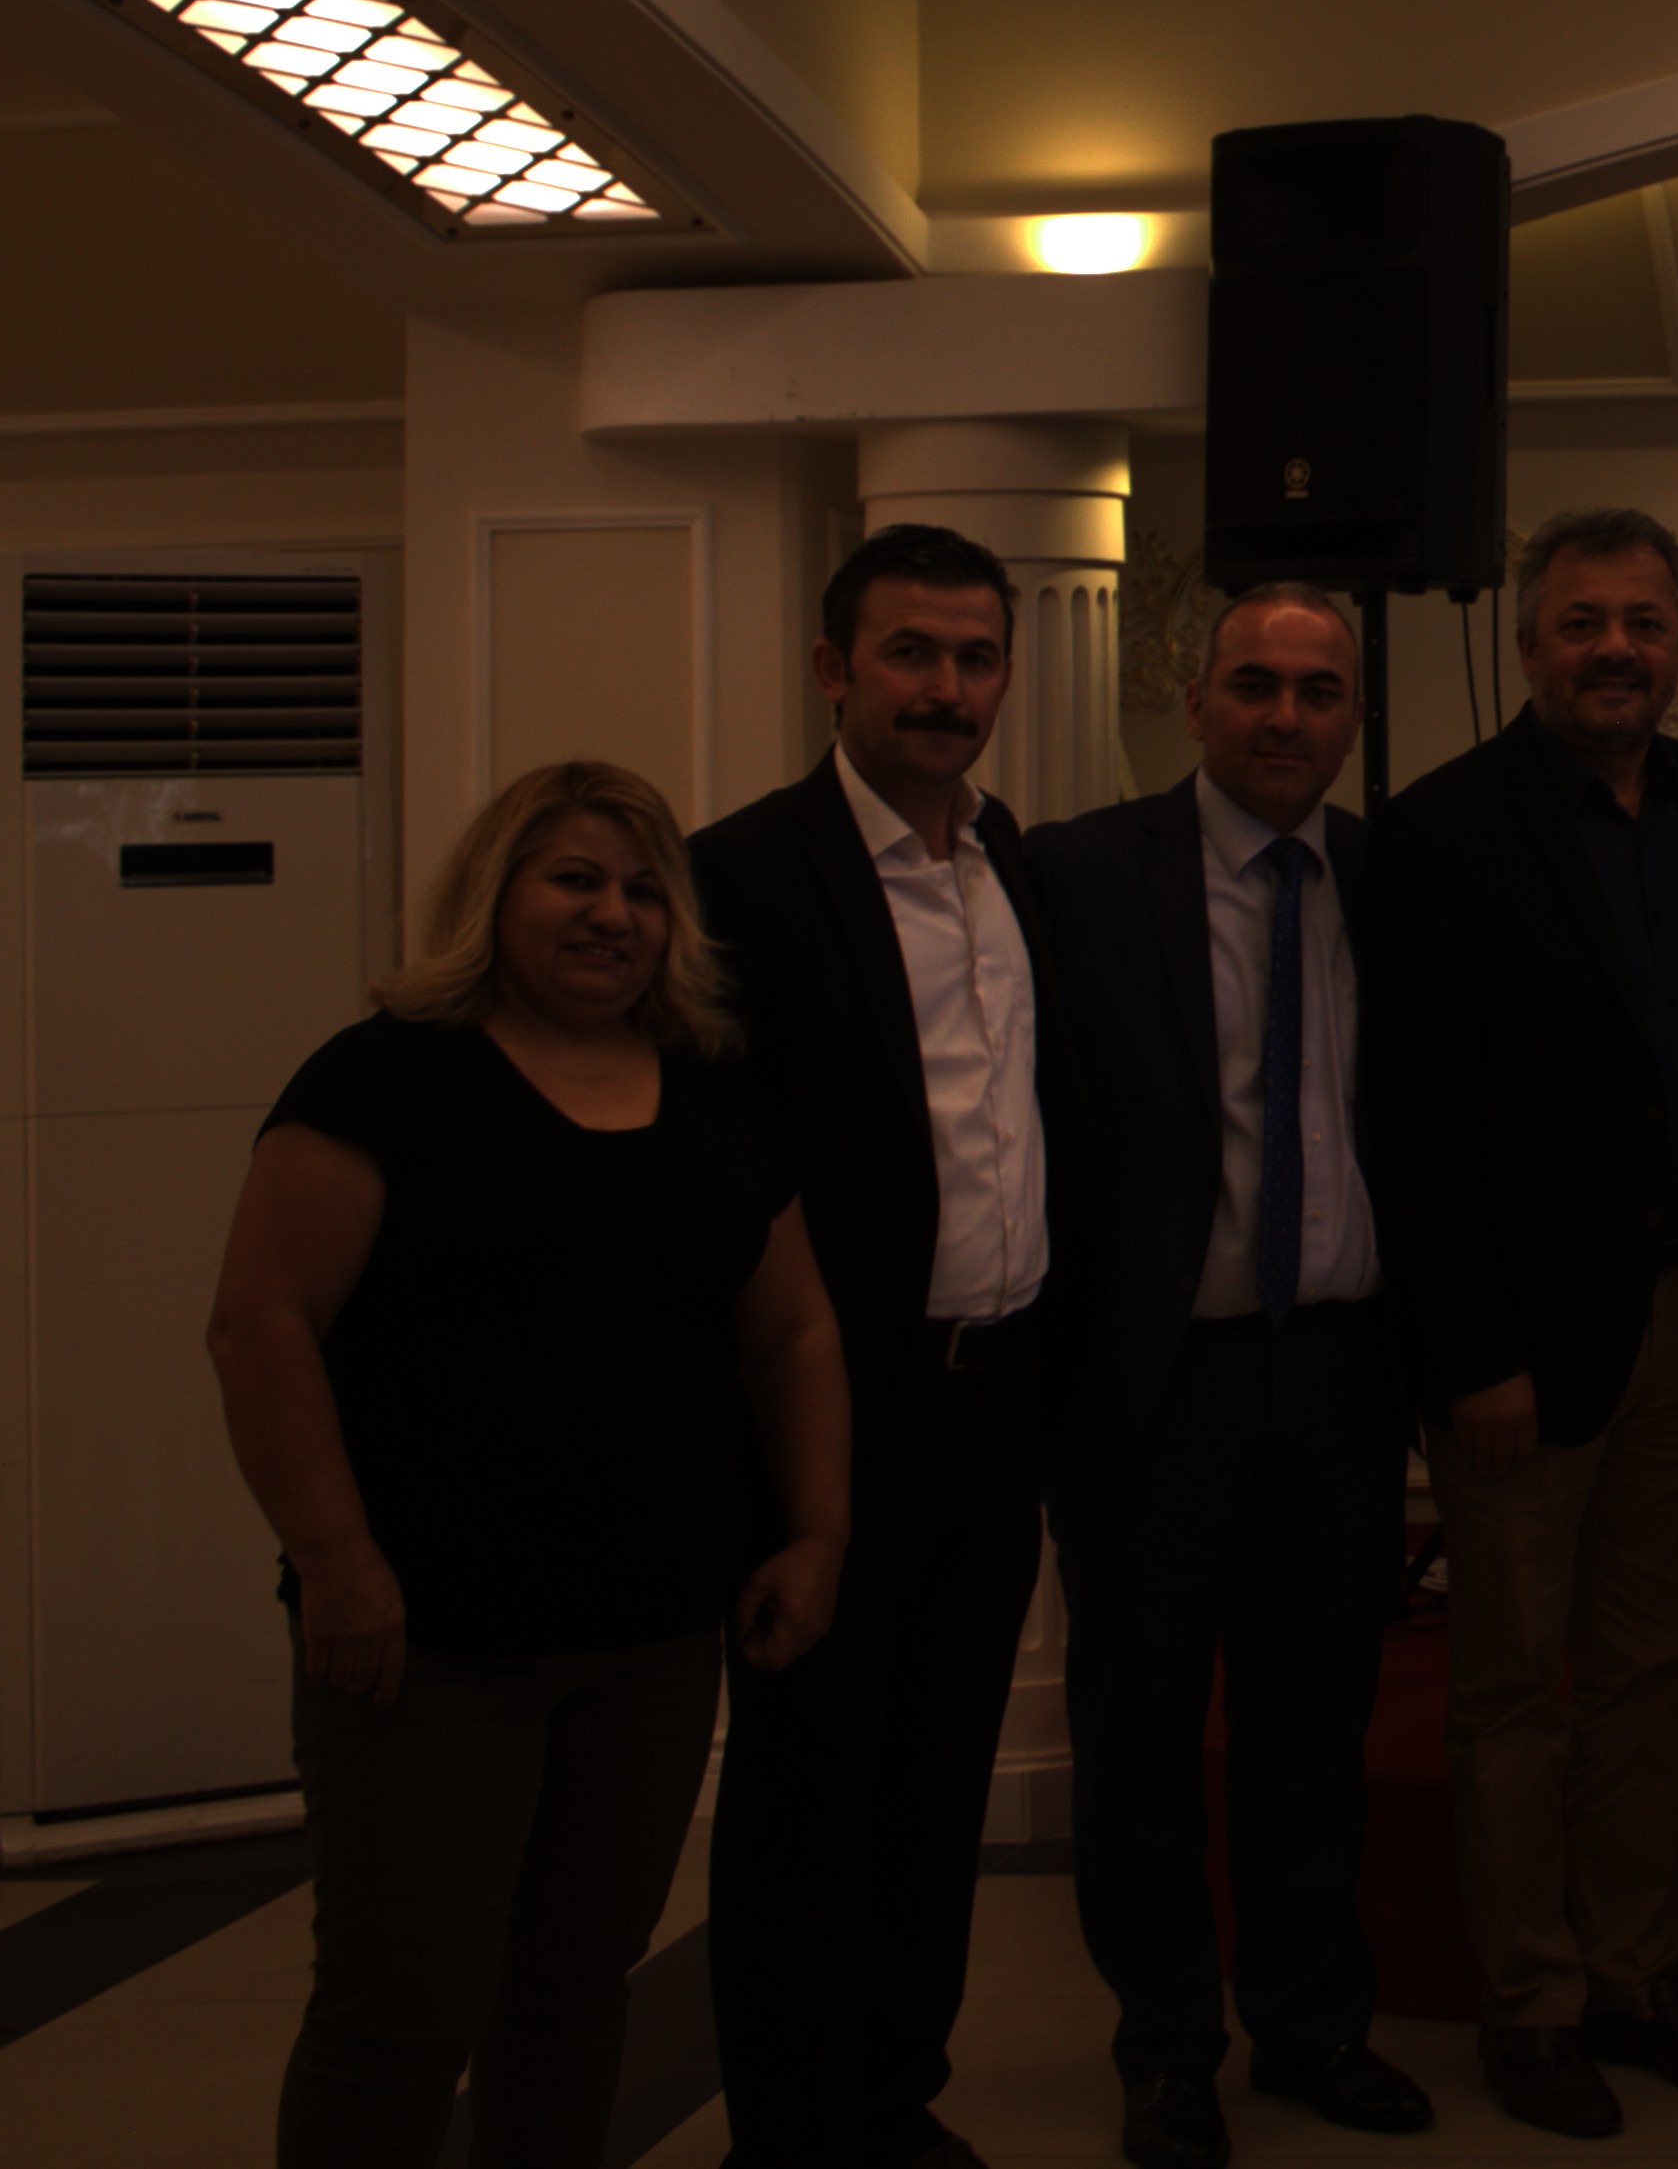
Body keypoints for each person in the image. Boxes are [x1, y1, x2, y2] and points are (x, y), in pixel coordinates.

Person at [208, 760, 845, 2169]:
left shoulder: (714, 1092)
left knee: (570, 1989)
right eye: (575, 879)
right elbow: (260, 1324)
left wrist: (817, 1532)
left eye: (644, 891)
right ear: (495, 895)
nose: (613, 913)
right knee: (402, 2008)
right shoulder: (384, 1077)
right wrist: (334, 1558)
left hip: (650, 1641)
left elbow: (792, 1331)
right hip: (431, 1646)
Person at [1380, 511, 1678, 2135]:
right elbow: (1414, 1117)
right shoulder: (1440, 829)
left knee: (1646, 1669)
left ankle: (1638, 1971)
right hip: (1518, 1343)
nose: (1614, 647)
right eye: (1581, 621)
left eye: (1642, 621)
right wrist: (1468, 1348)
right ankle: (1531, 2002)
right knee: (1510, 1688)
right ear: (1530, 640)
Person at [1024, 582, 1437, 2166]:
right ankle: (1165, 2045)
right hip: (1154, 1380)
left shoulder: (1386, 878)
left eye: (1318, 691)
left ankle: (1311, 2022)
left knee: (1311, 1723)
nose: (1285, 717)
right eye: (1254, 684)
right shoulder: (1078, 873)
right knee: (1139, 1733)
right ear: (1195, 701)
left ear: (1352, 717)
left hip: (1336, 1366)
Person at [692, 524, 1060, 2169]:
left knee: (934, 1781)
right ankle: (790, 2134)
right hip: (837, 1406)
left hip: (997, 1393)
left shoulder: (1008, 862)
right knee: (806, 1793)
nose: (946, 688)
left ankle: (893, 2099)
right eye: (911, 651)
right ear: (833, 667)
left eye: (975, 657)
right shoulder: (741, 875)